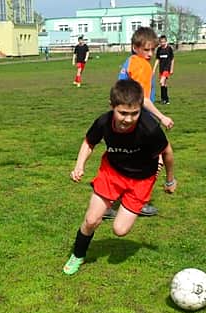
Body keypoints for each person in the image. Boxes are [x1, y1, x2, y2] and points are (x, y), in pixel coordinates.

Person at [62, 79, 176, 276]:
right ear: (112, 106)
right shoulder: (103, 122)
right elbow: (89, 142)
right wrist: (79, 165)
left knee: (120, 230)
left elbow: (167, 153)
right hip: (112, 173)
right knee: (91, 220)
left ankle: (139, 184)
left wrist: (170, 180)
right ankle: (78, 254)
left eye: (134, 113)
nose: (128, 119)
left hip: (141, 180)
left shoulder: (149, 128)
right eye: (123, 113)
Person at [114, 26, 173, 217]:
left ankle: (113, 199)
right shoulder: (141, 66)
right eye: (146, 49)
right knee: (157, 158)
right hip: (139, 117)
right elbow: (144, 99)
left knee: (130, 160)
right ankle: (137, 201)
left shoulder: (129, 61)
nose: (149, 54)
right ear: (135, 47)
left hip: (123, 117)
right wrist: (162, 117)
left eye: (152, 50)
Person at [153, 35, 174, 104]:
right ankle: (166, 99)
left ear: (166, 41)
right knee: (164, 84)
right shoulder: (159, 49)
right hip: (161, 69)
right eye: (161, 42)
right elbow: (157, 59)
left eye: (164, 42)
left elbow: (172, 59)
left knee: (161, 82)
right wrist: (154, 69)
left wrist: (171, 69)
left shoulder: (169, 49)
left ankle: (163, 99)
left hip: (167, 68)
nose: (162, 43)